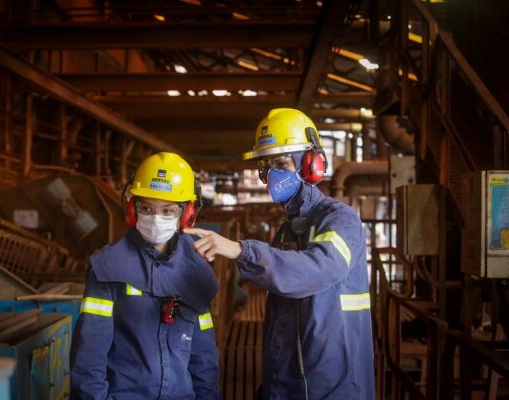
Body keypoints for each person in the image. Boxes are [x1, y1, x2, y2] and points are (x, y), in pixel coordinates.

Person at [184, 108, 375, 399]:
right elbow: (282, 320)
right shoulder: (287, 231)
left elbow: (316, 269)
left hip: (332, 386)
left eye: (281, 163)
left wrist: (239, 250)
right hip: (288, 384)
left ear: (311, 163)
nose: (272, 174)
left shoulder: (340, 220)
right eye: (267, 166)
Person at [70, 152, 221, 400]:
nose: (155, 218)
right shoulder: (108, 268)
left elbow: (203, 356)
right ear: (132, 209)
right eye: (146, 208)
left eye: (168, 210)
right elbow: (89, 355)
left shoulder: (197, 272)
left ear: (186, 214)